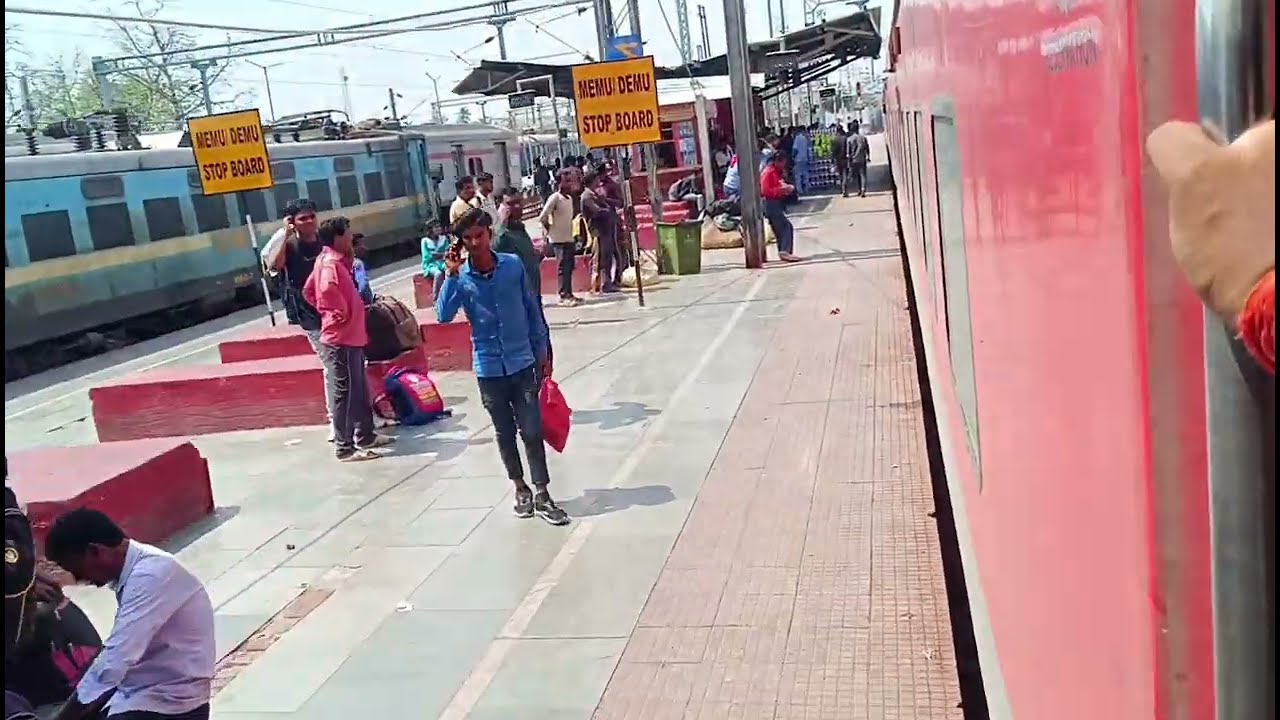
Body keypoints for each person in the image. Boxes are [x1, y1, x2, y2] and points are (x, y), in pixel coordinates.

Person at [436, 208, 570, 526]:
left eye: (479, 236)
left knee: (532, 430)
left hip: (522, 362)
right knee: (504, 432)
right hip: (488, 368)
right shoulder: (460, 277)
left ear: (489, 234)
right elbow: (442, 315)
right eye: (467, 239)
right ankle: (520, 487)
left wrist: (543, 351)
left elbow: (531, 308)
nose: (474, 243)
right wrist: (450, 275)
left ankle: (542, 492)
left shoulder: (511, 266)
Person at [44, 509, 214, 720]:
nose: (78, 579)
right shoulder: (138, 568)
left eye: (76, 570)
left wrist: (64, 717)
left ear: (95, 551)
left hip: (169, 703)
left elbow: (114, 661)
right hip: (143, 690)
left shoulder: (150, 576)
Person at [303, 217, 394, 461]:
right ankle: (345, 447)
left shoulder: (334, 261)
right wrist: (338, 313)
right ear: (337, 238)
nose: (351, 238)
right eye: (348, 235)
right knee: (344, 392)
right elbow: (322, 292)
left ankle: (366, 435)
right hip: (340, 337)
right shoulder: (330, 265)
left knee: (359, 389)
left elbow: (307, 291)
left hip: (352, 336)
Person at [261, 199, 334, 440]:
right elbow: (275, 265)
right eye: (303, 218)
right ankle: (336, 420)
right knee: (332, 367)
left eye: (312, 216)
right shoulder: (290, 246)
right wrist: (285, 233)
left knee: (351, 364)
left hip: (335, 311)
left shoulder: (324, 240)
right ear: (293, 222)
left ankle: (362, 414)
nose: (310, 221)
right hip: (309, 315)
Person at [538, 169, 584, 307]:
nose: (570, 184)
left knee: (569, 267)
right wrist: (550, 230)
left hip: (568, 237)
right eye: (567, 181)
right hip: (558, 240)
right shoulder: (555, 198)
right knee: (562, 267)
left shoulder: (569, 199)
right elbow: (543, 216)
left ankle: (569, 293)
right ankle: (563, 295)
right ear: (560, 182)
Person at [581, 170, 621, 293]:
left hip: (605, 229)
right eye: (596, 179)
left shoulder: (593, 194)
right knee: (602, 258)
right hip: (598, 230)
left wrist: (609, 203)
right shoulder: (587, 196)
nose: (599, 182)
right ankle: (603, 284)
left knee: (608, 256)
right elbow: (597, 211)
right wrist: (610, 211)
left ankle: (608, 282)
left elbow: (607, 202)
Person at [760, 151, 800, 262]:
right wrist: (782, 190)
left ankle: (783, 251)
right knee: (786, 227)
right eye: (783, 163)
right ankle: (785, 251)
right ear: (778, 161)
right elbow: (765, 191)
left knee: (779, 230)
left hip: (775, 203)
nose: (784, 165)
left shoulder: (776, 172)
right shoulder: (768, 172)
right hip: (770, 204)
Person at [420, 219, 450, 302]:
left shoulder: (443, 239)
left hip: (442, 262)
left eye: (439, 227)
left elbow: (447, 251)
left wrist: (439, 255)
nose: (439, 229)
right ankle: (436, 298)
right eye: (436, 227)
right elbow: (427, 256)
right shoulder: (425, 241)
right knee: (438, 274)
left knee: (451, 270)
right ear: (430, 230)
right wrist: (441, 255)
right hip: (431, 265)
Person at [844, 121, 871, 198]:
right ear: (858, 129)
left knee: (853, 176)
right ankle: (863, 190)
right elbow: (867, 148)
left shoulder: (849, 139)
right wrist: (868, 157)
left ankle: (846, 190)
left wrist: (849, 161)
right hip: (862, 159)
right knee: (863, 175)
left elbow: (848, 153)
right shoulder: (863, 138)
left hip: (853, 160)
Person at [349, 233, 374, 305]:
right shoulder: (357, 264)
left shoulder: (344, 263)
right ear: (353, 247)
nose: (365, 248)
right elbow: (363, 286)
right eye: (361, 245)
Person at [791, 127, 812, 195]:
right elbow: (809, 149)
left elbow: (795, 149)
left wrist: (793, 156)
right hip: (805, 158)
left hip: (798, 159)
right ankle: (807, 188)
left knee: (798, 175)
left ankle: (800, 190)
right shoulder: (805, 138)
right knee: (805, 174)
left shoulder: (797, 138)